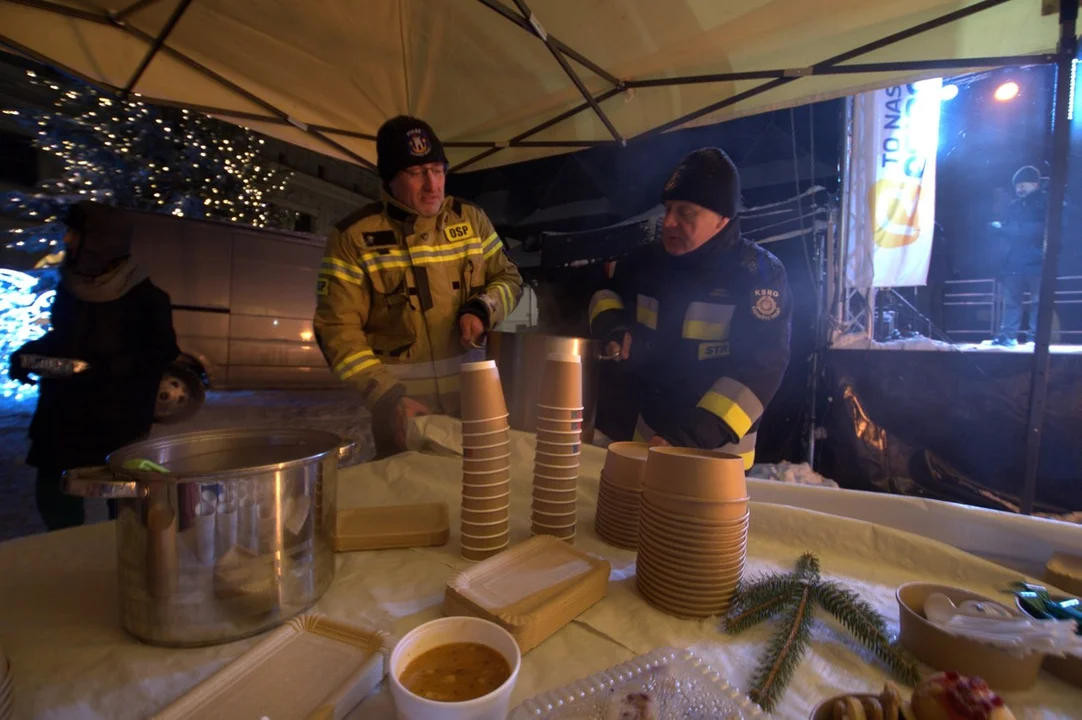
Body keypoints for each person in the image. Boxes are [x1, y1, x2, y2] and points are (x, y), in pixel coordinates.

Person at [314, 116, 523, 455]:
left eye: (438, 170)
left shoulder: (471, 220)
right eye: (416, 173)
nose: (433, 185)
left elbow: (509, 278)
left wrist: (483, 309)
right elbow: (336, 329)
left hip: (472, 407)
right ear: (390, 178)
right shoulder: (353, 237)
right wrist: (387, 397)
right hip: (402, 416)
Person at [588, 148, 791, 469]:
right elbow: (603, 293)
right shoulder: (647, 262)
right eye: (668, 209)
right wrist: (615, 326)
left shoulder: (758, 274)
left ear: (722, 219)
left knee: (706, 521)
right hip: (650, 435)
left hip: (719, 453)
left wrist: (686, 438)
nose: (668, 222)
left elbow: (761, 369)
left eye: (686, 212)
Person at [8, 201, 179, 530]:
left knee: (123, 500)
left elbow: (163, 351)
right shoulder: (71, 287)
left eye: (75, 234)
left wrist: (110, 369)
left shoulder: (146, 296)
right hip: (61, 414)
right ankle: (65, 553)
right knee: (54, 490)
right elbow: (62, 337)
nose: (67, 241)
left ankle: (116, 557)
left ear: (100, 242)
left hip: (115, 419)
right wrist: (28, 356)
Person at [991, 165, 1047, 347]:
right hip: (1014, 261)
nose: (1020, 189)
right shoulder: (1014, 205)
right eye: (1017, 186)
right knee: (1011, 301)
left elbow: (1043, 229)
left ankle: (1035, 337)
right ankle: (1008, 335)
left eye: (1024, 184)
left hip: (1037, 260)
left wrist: (1009, 229)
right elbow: (1012, 228)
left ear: (1036, 184)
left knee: (1038, 301)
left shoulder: (1046, 202)